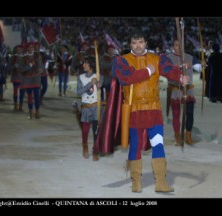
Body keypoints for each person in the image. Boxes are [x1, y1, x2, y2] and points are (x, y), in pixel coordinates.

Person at [96, 32, 189, 193]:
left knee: (158, 143)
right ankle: (136, 183)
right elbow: (126, 78)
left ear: (146, 43)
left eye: (140, 42)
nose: (138, 45)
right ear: (130, 45)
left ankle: (160, 182)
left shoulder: (157, 59)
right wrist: (147, 71)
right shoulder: (121, 60)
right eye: (134, 42)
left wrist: (181, 78)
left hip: (154, 111)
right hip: (134, 111)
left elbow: (169, 70)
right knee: (136, 146)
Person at [167, 39, 199, 145]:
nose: (179, 47)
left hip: (188, 90)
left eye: (181, 45)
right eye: (176, 45)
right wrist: (181, 67)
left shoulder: (189, 57)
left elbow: (198, 66)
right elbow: (168, 70)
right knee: (176, 114)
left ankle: (188, 135)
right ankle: (177, 135)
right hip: (176, 90)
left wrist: (202, 65)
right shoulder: (168, 58)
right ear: (173, 46)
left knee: (190, 113)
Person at [76, 56, 102, 161]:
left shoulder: (98, 76)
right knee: (85, 130)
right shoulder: (81, 77)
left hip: (96, 106)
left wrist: (99, 84)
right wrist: (90, 83)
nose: (83, 65)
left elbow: (102, 86)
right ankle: (85, 146)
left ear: (91, 65)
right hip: (86, 106)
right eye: (84, 63)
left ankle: (95, 150)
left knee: (96, 130)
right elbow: (79, 91)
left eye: (86, 63)